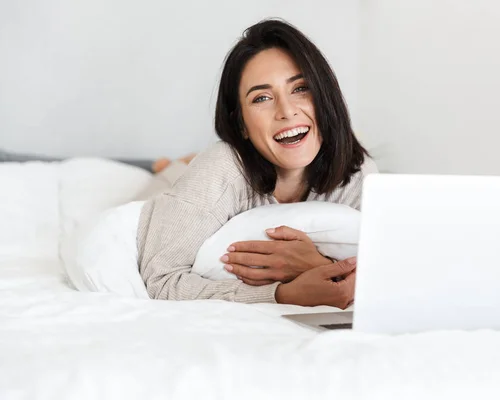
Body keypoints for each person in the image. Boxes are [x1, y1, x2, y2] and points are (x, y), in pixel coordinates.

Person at [137, 18, 378, 309]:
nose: (287, 111)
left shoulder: (357, 173)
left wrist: (317, 265)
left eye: (300, 88)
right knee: (161, 184)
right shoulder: (221, 169)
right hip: (184, 186)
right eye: (262, 97)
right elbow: (162, 280)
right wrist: (280, 295)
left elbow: (387, 271)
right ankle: (171, 167)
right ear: (240, 124)